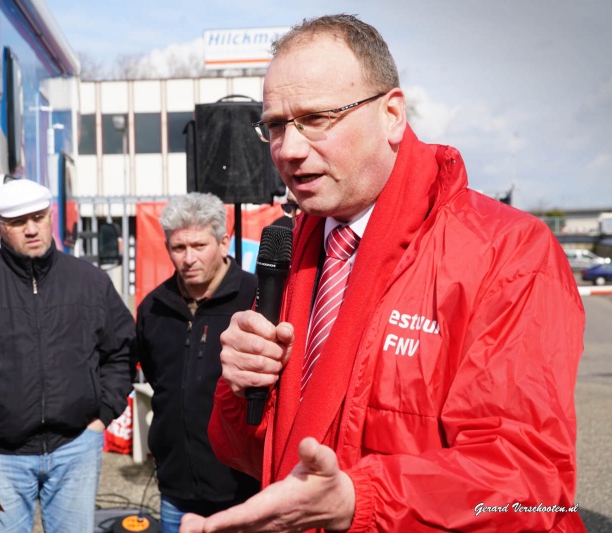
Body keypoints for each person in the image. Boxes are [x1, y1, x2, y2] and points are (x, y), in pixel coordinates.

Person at [181, 14, 584, 533]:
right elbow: (251, 456)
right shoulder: (294, 251)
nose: (289, 149)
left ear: (392, 114)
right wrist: (239, 390)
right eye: (276, 125)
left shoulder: (508, 252)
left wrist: (361, 501)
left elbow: (532, 487)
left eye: (316, 118)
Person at [0, 178, 135, 533]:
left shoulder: (90, 281)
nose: (31, 229)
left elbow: (121, 351)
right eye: (17, 222)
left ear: (51, 215)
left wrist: (102, 417)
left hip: (76, 449)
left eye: (38, 217)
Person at [135, 192, 260, 532]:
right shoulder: (153, 308)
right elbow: (156, 378)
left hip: (243, 487)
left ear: (224, 243)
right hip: (177, 488)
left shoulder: (257, 299)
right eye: (179, 248)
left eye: (198, 246)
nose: (188, 258)